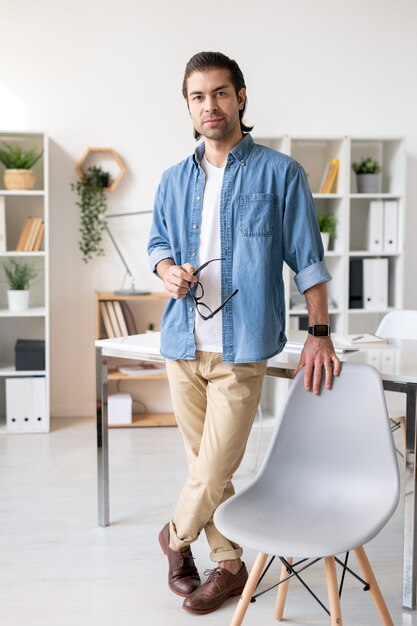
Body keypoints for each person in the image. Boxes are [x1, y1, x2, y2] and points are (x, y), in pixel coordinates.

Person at [148, 51, 341, 615]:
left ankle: (172, 536)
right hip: (183, 345)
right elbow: (157, 245)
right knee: (204, 468)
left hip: (241, 347)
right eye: (198, 96)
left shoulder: (281, 173)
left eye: (220, 93)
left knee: (214, 467)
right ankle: (230, 567)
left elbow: (308, 259)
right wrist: (167, 270)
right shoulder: (171, 180)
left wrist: (321, 331)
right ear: (188, 105)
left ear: (241, 97)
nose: (210, 106)